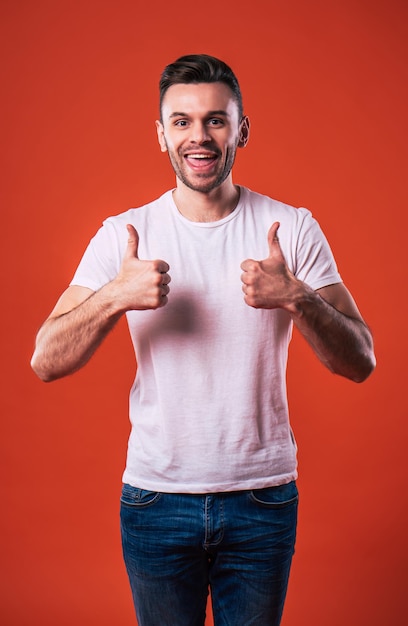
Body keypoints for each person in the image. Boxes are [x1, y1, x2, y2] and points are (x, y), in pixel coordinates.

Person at [31, 54, 376, 626]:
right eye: (183, 121)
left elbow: (361, 360)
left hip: (262, 498)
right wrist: (117, 294)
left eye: (217, 120)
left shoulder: (291, 228)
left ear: (241, 129)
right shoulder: (124, 236)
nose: (200, 136)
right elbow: (46, 359)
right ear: (161, 133)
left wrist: (298, 296)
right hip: (156, 500)